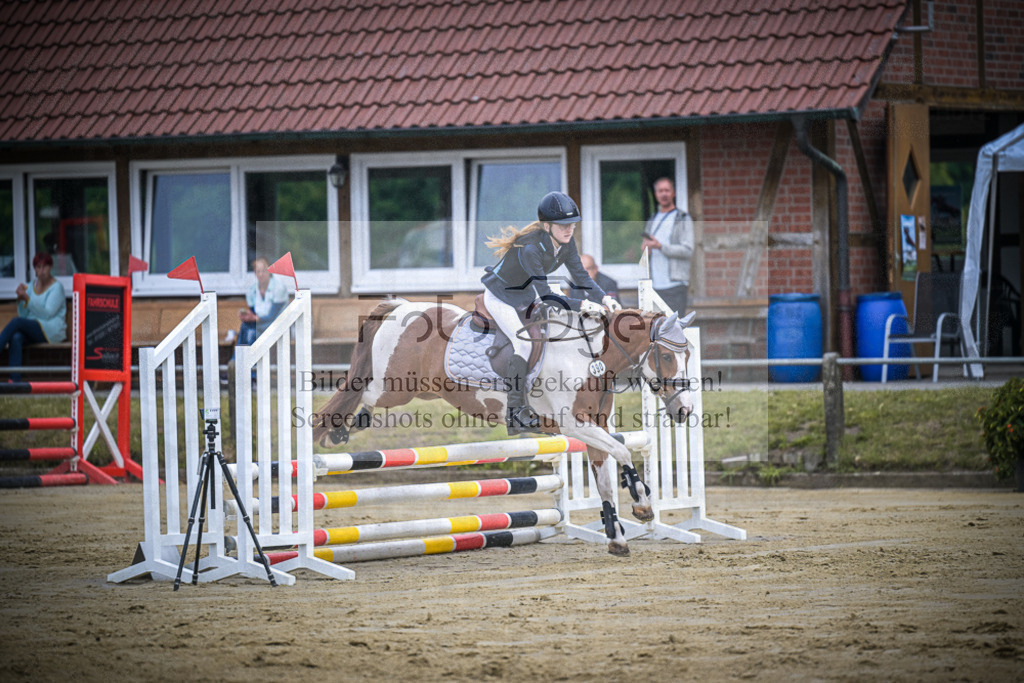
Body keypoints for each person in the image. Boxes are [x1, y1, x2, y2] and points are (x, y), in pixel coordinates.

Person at [482, 191, 621, 434]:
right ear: (547, 226)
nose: (569, 230)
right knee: (523, 344)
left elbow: (581, 276)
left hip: (525, 295)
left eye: (573, 225)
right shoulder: (531, 249)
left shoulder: (565, 242)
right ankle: (515, 413)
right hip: (501, 297)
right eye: (563, 225)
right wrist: (582, 305)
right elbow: (546, 295)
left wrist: (604, 297)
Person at [1, 252, 66, 381]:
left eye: (45, 267)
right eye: (38, 267)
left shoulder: (57, 288)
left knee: (17, 322)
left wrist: (28, 299)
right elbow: (24, 314)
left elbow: (47, 314)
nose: (41, 271)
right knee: (16, 337)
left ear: (51, 267)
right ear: (35, 269)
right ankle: (15, 381)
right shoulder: (31, 286)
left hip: (51, 330)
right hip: (35, 328)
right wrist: (21, 300)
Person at [641, 177, 694, 316]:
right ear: (656, 194)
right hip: (654, 285)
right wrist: (646, 249)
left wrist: (660, 246)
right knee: (656, 332)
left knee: (674, 330)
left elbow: (688, 250)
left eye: (667, 190)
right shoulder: (652, 219)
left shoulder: (682, 218)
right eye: (660, 191)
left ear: (673, 193)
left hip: (675, 285)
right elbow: (646, 249)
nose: (663, 194)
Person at [237, 257, 289, 346]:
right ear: (254, 273)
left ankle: (246, 358)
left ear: (269, 271)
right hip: (261, 324)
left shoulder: (279, 288)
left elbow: (272, 316)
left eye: (264, 271)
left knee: (253, 333)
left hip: (278, 324)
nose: (261, 274)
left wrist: (254, 318)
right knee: (245, 326)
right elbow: (254, 313)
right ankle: (236, 358)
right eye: (258, 271)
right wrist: (248, 316)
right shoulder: (252, 290)